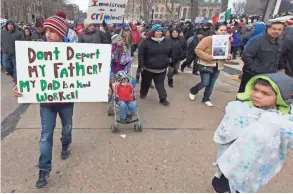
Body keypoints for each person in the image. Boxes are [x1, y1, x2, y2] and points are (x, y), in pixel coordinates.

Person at [13, 15, 74, 189]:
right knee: (45, 136)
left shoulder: (74, 52)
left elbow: (87, 75)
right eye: (46, 30)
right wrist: (19, 86)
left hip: (66, 102)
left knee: (67, 127)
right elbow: (26, 73)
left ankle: (65, 144)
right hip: (46, 104)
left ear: (61, 33)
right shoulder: (36, 50)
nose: (48, 34)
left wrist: (100, 88)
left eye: (52, 31)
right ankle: (43, 170)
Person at [212, 73, 293, 193]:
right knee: (220, 186)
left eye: (265, 93)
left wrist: (269, 122)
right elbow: (226, 132)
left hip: (254, 168)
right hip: (230, 161)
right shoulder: (239, 109)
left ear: (280, 97)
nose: (257, 95)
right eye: (255, 89)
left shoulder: (283, 121)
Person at [189, 23, 231, 107]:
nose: (223, 32)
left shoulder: (227, 41)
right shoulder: (208, 39)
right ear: (216, 31)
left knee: (211, 84)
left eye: (225, 30)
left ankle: (206, 98)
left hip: (218, 65)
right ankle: (193, 90)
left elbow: (227, 52)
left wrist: (228, 56)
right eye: (221, 30)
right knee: (205, 82)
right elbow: (198, 50)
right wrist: (209, 57)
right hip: (206, 64)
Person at [239, 21, 285, 93]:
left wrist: (281, 69)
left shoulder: (280, 42)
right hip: (253, 76)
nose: (276, 31)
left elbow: (280, 57)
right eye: (274, 29)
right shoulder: (258, 40)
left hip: (269, 77)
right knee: (245, 96)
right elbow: (246, 55)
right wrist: (255, 69)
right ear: (268, 28)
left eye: (279, 29)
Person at [138, 24, 173, 106]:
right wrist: (142, 66)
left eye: (160, 31)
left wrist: (169, 60)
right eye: (157, 31)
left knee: (160, 84)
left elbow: (171, 52)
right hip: (148, 68)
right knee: (145, 84)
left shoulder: (167, 41)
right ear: (153, 32)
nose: (159, 33)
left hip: (162, 68)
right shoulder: (145, 41)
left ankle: (163, 99)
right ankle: (143, 93)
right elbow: (141, 55)